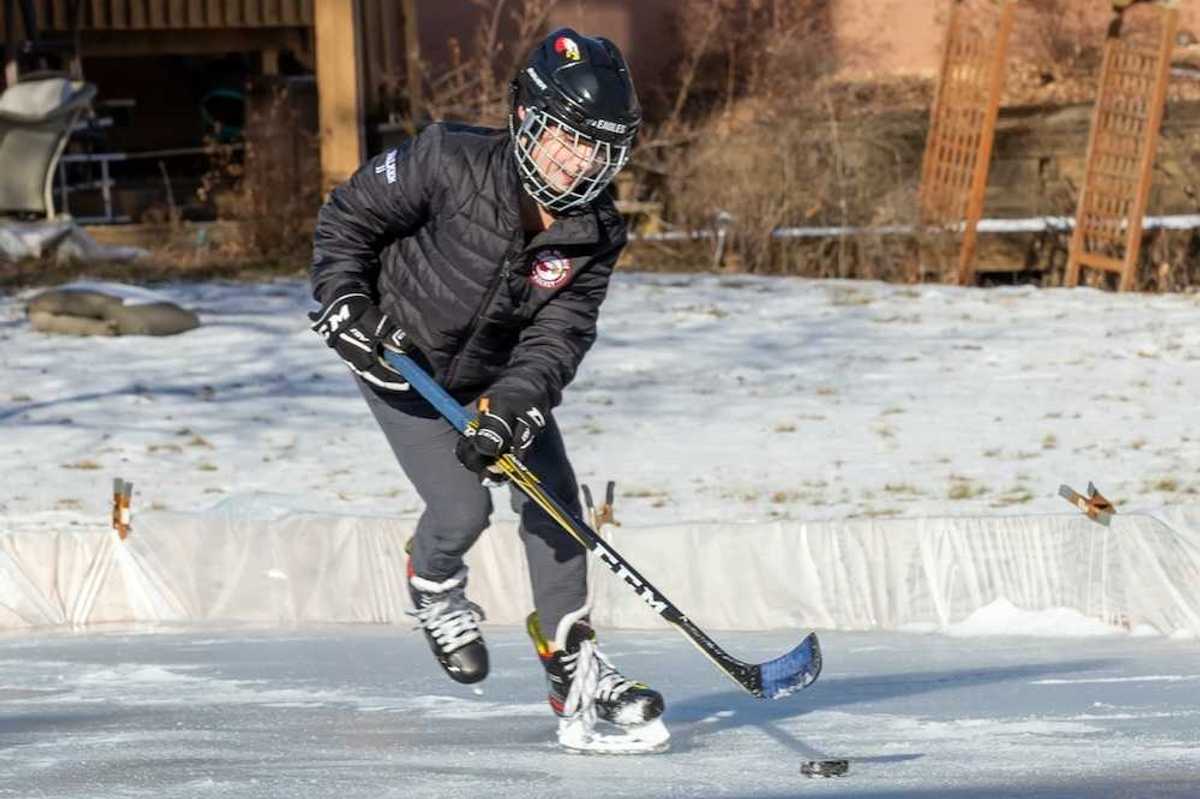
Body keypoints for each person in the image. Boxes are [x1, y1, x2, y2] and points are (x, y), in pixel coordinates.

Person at [309, 28, 666, 750]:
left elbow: (558, 335)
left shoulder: (593, 233)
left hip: (495, 383)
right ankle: (433, 580)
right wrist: (345, 303)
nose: (578, 162)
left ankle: (574, 664)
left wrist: (515, 408)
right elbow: (348, 219)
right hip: (398, 365)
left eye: (597, 148)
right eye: (565, 138)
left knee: (555, 505)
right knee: (462, 506)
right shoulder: (445, 160)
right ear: (526, 120)